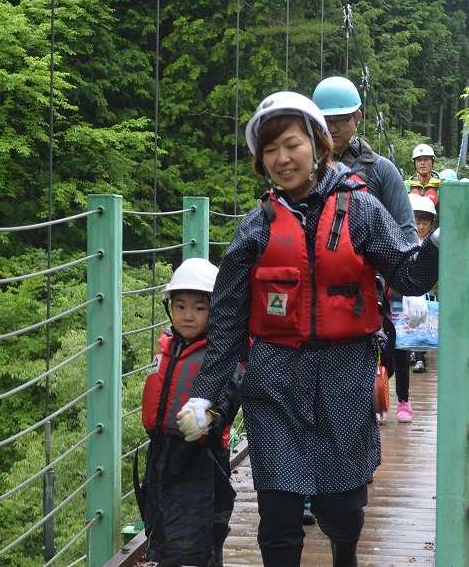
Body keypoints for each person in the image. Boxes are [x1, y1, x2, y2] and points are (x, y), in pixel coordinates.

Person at [176, 91, 440, 567]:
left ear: (318, 145)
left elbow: (409, 275)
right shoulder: (256, 228)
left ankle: (344, 552)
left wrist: (440, 242)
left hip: (344, 376)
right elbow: (229, 321)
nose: (281, 158)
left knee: (341, 509)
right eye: (270, 150)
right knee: (278, 517)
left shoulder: (359, 208)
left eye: (291, 144)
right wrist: (206, 397)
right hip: (275, 381)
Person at [312, 75, 429, 424]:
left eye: (341, 120)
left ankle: (354, 465)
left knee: (363, 373)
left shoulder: (380, 171)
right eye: (326, 120)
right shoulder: (298, 167)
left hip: (366, 292)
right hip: (313, 290)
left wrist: (415, 287)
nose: (333, 128)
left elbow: (406, 228)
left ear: (358, 118)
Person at [135, 257, 244, 567]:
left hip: (201, 459)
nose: (187, 316)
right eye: (180, 306)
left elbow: (229, 398)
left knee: (201, 539)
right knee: (166, 534)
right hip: (162, 455)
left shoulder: (221, 354)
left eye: (199, 308)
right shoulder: (169, 346)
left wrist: (207, 419)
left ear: (216, 310)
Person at [408, 193, 439, 375]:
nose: (420, 227)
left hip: (429, 290)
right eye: (417, 222)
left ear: (431, 224)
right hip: (412, 289)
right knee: (413, 322)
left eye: (424, 223)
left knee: (424, 323)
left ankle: (419, 357)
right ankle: (414, 353)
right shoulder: (408, 238)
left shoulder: (433, 242)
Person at [406, 143, 441, 210]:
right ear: (414, 163)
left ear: (432, 162)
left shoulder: (442, 186)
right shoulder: (406, 186)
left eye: (426, 159)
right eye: (419, 160)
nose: (422, 163)